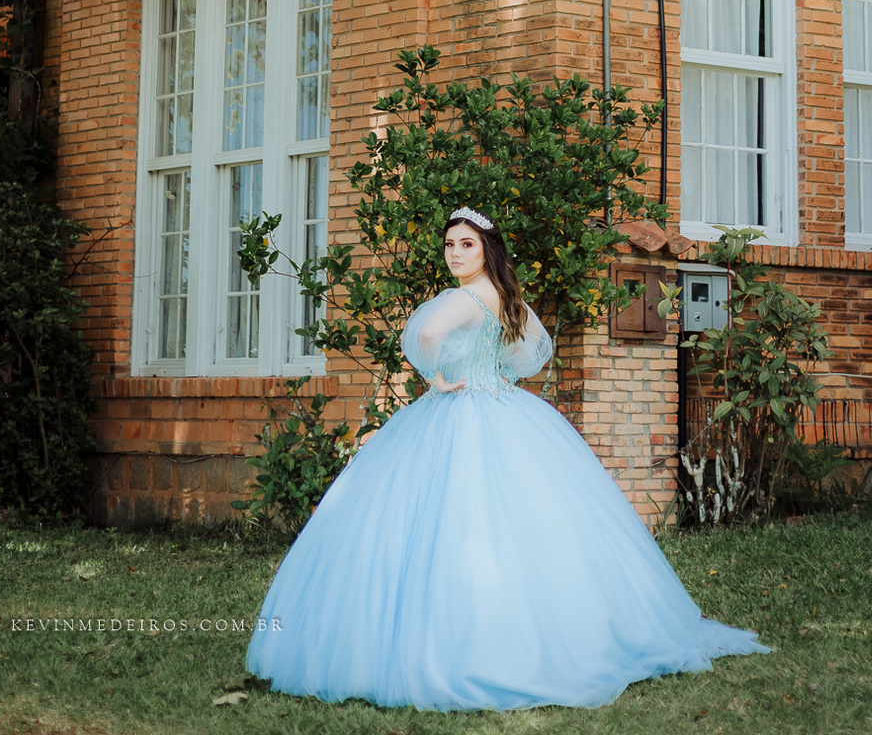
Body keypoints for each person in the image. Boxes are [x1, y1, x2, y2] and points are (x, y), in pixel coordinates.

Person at [246, 205, 768, 711]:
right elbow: (528, 355)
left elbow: (425, 333)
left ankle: (463, 646)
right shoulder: (502, 294)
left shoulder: (470, 295)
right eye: (449, 244)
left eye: (466, 244)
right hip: (502, 404)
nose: (454, 252)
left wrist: (433, 373)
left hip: (461, 409)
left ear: (485, 249)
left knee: (442, 525)